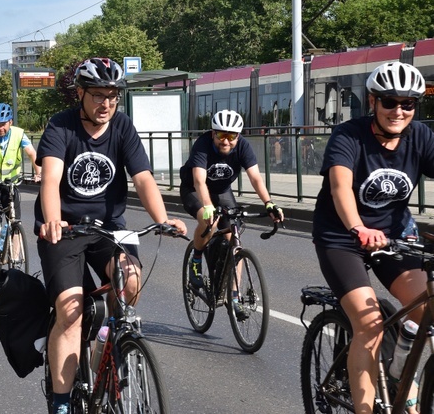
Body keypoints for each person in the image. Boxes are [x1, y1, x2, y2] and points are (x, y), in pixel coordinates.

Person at [34, 58, 188, 414]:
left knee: (130, 279)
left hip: (108, 227)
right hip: (66, 230)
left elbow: (143, 177)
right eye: (99, 96)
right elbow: (52, 179)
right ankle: (61, 402)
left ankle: (108, 346)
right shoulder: (61, 126)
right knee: (70, 311)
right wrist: (54, 221)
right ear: (81, 94)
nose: (106, 104)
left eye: (113, 97)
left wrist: (163, 219)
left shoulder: (121, 126)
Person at [312, 61, 433, 413]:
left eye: (408, 103)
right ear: (372, 102)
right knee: (370, 323)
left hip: (395, 237)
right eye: (390, 101)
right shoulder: (349, 135)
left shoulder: (420, 136)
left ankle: (401, 370)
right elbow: (340, 187)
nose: (399, 110)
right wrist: (358, 228)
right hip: (342, 237)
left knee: (427, 303)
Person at [178, 109, 284, 310]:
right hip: (193, 189)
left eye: (231, 136)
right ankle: (197, 258)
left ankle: (234, 297)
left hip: (222, 191)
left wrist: (269, 203)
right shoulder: (202, 145)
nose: (225, 141)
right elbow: (200, 181)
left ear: (238, 136)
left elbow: (255, 178)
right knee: (209, 220)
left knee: (235, 240)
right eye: (220, 135)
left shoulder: (243, 146)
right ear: (213, 134)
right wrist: (208, 206)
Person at [0, 102, 41, 245]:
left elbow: (32, 153)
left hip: (10, 182)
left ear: (10, 122)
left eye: (4, 124)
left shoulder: (19, 134)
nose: (0, 128)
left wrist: (39, 173)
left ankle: (16, 260)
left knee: (15, 221)